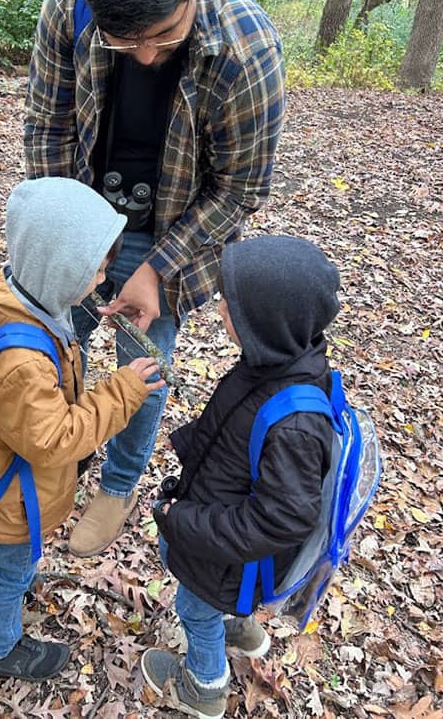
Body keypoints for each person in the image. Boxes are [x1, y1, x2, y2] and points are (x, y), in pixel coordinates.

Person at [24, 0, 285, 558]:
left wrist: (157, 267)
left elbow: (239, 188)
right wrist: (68, 233)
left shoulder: (247, 50)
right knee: (60, 330)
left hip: (174, 222)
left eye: (163, 35)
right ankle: (69, 441)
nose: (143, 54)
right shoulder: (73, 2)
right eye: (123, 40)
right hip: (86, 202)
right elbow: (48, 127)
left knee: (145, 358)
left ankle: (119, 479)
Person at [0, 177, 165, 681]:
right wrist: (122, 391)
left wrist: (70, 310)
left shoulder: (16, 294)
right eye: (95, 269)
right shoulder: (23, 364)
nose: (102, 279)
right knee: (10, 564)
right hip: (13, 490)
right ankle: (0, 646)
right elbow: (55, 440)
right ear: (59, 267)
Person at [140, 235, 340, 718]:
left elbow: (278, 521)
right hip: (222, 539)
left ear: (269, 321)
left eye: (234, 303)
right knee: (208, 602)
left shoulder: (295, 424)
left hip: (222, 556)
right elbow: (238, 427)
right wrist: (193, 449)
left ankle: (205, 686)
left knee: (193, 608)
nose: (221, 307)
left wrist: (182, 522)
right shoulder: (274, 363)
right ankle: (241, 628)